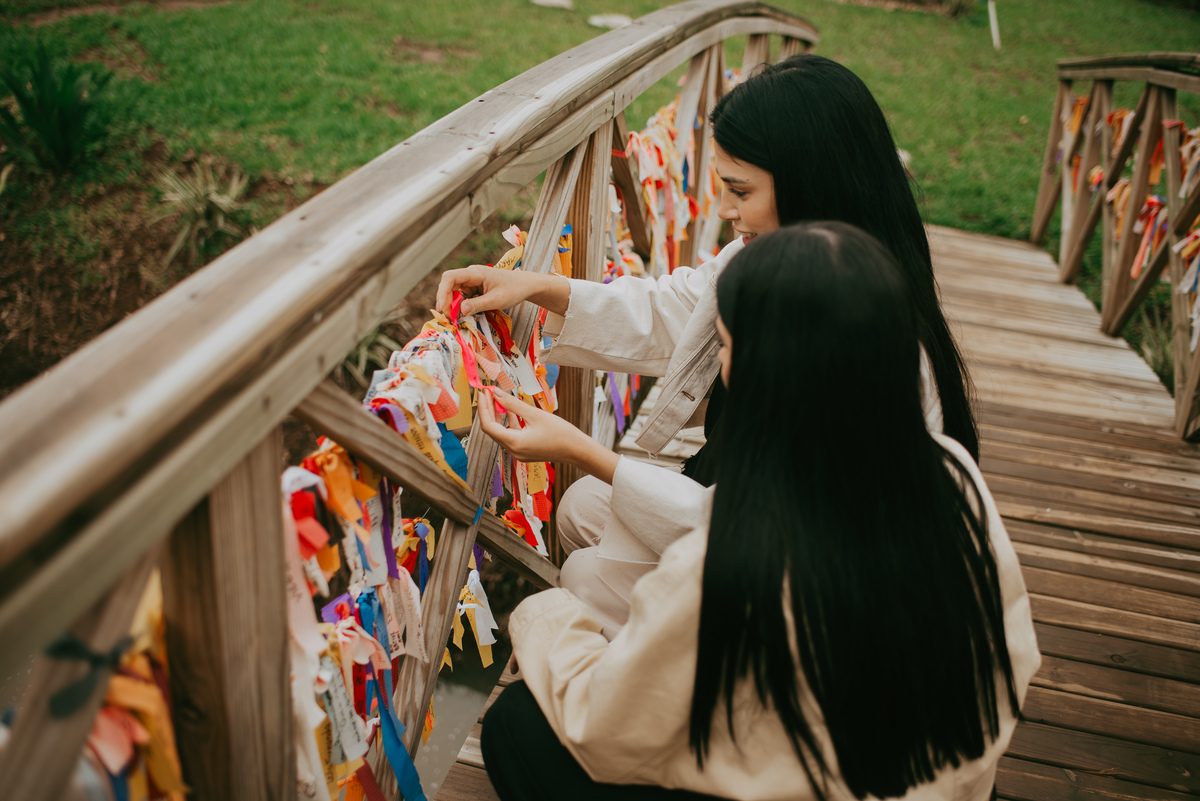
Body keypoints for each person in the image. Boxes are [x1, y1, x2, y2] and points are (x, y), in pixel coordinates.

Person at [474, 222, 1040, 801]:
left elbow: (604, 722)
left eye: (723, 344)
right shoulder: (949, 471)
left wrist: (546, 617)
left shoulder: (743, 549)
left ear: (767, 367)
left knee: (516, 723)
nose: (720, 362)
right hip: (940, 775)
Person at [436, 54, 977, 636]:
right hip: (762, 513)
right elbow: (679, 309)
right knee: (581, 509)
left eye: (740, 191)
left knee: (588, 578)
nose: (724, 212)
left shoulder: (860, 338)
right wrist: (542, 288)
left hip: (824, 597)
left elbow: (761, 532)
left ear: (809, 180)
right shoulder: (797, 256)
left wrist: (584, 450)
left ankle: (664, 689)